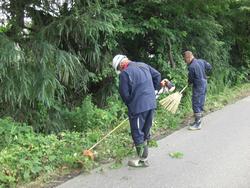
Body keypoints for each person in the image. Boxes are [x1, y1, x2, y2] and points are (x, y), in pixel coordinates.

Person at [112, 54, 173, 167]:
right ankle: (143, 154)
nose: (120, 71)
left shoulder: (125, 74)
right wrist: (153, 90)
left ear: (121, 64)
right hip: (151, 103)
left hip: (138, 107)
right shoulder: (143, 65)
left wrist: (131, 104)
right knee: (146, 129)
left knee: (137, 131)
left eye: (119, 69)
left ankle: (142, 159)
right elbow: (157, 75)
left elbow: (124, 94)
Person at [183, 51, 212, 130]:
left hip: (198, 85)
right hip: (204, 83)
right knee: (201, 101)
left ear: (188, 57)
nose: (186, 61)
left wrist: (189, 83)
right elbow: (209, 67)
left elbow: (191, 79)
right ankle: (198, 120)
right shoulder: (201, 61)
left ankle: (198, 124)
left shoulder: (191, 66)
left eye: (185, 60)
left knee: (196, 103)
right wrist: (204, 73)